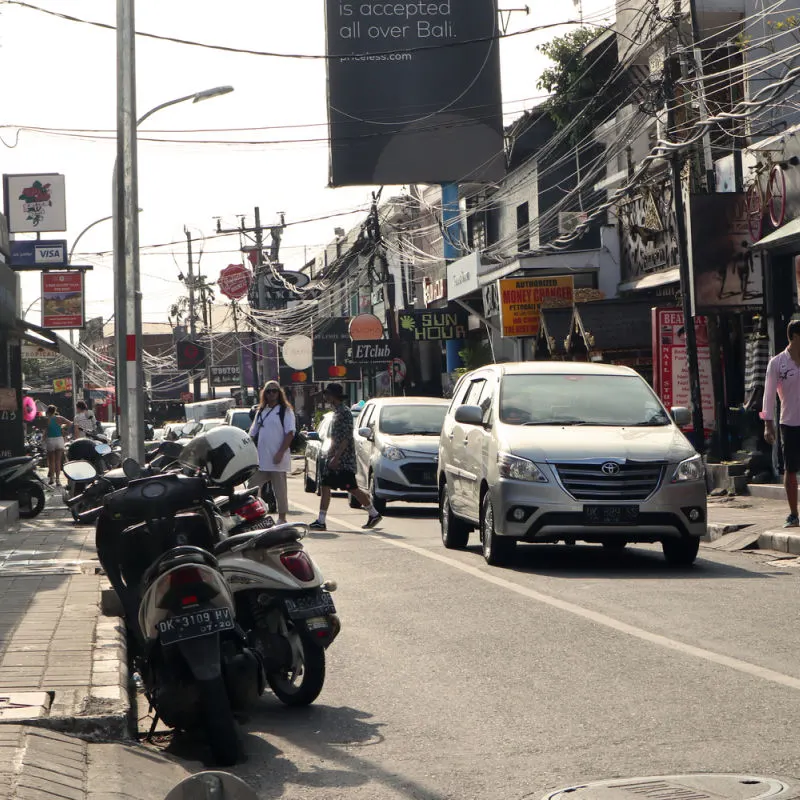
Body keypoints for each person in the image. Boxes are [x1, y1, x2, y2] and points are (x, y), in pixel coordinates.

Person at [309, 383, 382, 532]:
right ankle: (321, 520)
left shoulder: (344, 413)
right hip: (334, 457)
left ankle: (373, 513)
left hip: (343, 460)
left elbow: (346, 438)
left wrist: (337, 457)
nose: (326, 397)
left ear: (334, 396)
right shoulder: (336, 412)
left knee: (352, 488)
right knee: (325, 486)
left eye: (328, 394)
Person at [763, 318, 800, 527]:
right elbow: (768, 395)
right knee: (791, 468)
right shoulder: (777, 363)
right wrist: (768, 424)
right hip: (789, 422)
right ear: (794, 336)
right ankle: (794, 514)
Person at [248, 380, 296, 524]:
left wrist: (280, 452)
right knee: (252, 487)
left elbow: (290, 433)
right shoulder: (261, 411)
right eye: (268, 391)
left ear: (279, 393)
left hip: (278, 458)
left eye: (274, 391)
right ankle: (256, 515)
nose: (271, 394)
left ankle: (282, 518)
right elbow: (252, 433)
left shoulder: (285, 410)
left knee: (280, 489)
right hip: (262, 459)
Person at [44, 405, 71, 486]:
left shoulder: (46, 419)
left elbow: (45, 431)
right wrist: (63, 429)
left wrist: (43, 438)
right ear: (54, 411)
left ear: (48, 412)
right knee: (58, 461)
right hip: (59, 439)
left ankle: (51, 478)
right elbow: (70, 423)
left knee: (51, 461)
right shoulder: (59, 418)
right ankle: (58, 480)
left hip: (50, 440)